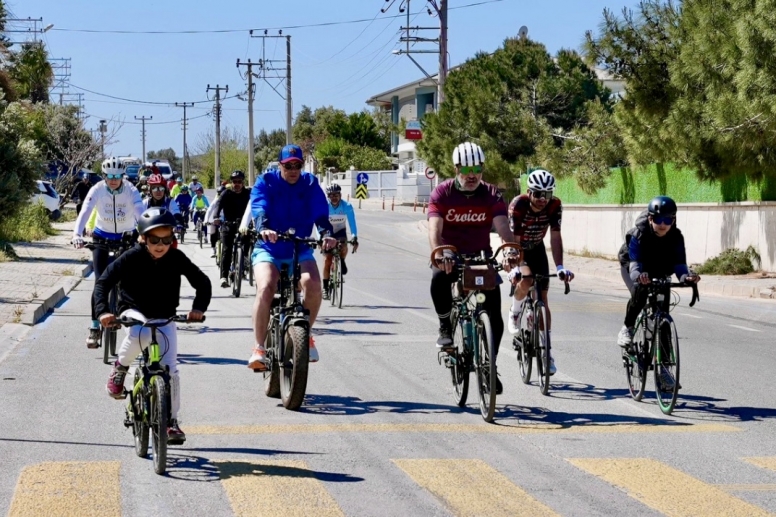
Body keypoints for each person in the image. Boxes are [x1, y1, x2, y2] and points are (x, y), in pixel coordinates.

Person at [94, 208, 211, 444]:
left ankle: (172, 422)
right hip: (133, 311)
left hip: (164, 315)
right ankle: (120, 368)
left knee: (171, 371)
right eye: (154, 239)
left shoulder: (177, 258)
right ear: (142, 238)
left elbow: (203, 283)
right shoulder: (130, 257)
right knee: (141, 333)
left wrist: (198, 308)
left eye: (166, 239)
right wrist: (103, 312)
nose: (160, 245)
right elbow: (103, 283)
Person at [428, 142, 517, 395]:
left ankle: (490, 365)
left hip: (480, 257)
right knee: (437, 276)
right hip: (450, 255)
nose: (471, 174)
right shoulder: (442, 193)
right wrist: (439, 252)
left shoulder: (491, 194)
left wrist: (510, 249)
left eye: (477, 168)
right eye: (466, 168)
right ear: (456, 168)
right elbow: (434, 229)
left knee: (495, 318)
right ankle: (445, 325)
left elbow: (502, 226)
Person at [247, 144, 335, 369]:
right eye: (288, 166)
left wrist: (326, 234)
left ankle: (306, 333)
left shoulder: (310, 183)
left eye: (297, 165)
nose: (293, 170)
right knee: (266, 286)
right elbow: (259, 206)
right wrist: (264, 227)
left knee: (313, 285)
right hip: (269, 247)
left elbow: (320, 211)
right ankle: (258, 347)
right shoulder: (266, 181)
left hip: (299, 247)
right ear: (280, 166)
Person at [617, 196, 700, 369]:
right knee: (639, 291)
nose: (663, 224)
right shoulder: (638, 234)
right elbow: (635, 267)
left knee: (663, 320)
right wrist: (639, 277)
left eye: (668, 219)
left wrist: (687, 278)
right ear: (650, 218)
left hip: (660, 268)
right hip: (635, 266)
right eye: (658, 219)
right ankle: (628, 327)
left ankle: (664, 370)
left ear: (673, 220)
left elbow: (679, 265)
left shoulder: (676, 237)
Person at [506, 168, 574, 376]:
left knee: (543, 300)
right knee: (526, 280)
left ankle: (547, 353)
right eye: (538, 194)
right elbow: (514, 239)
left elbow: (555, 236)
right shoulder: (518, 204)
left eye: (547, 194)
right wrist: (516, 266)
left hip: (537, 249)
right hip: (520, 249)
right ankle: (515, 311)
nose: (542, 199)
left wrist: (560, 267)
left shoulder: (555, 205)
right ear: (529, 192)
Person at [72, 157, 145, 348]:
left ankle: (128, 317)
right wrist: (77, 234)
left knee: (126, 281)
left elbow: (140, 211)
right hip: (101, 238)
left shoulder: (131, 189)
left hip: (125, 237)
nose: (113, 180)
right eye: (109, 176)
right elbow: (85, 211)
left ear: (122, 176)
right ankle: (94, 326)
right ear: (104, 176)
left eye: (117, 176)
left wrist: (145, 232)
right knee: (100, 282)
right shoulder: (97, 189)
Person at [208, 170, 250, 287]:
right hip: (228, 225)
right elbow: (218, 206)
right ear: (231, 182)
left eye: (239, 181)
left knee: (248, 242)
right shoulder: (226, 193)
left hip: (243, 225)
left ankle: (244, 262)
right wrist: (216, 217)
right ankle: (224, 277)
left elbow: (255, 206)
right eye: (234, 181)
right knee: (227, 250)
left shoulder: (248, 193)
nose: (237, 184)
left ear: (243, 182)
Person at [322, 183, 358, 300]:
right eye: (331, 195)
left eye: (336, 195)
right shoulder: (324, 206)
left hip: (340, 231)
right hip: (327, 232)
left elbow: (352, 223)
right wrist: (321, 238)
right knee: (327, 259)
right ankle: (325, 288)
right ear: (328, 196)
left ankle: (341, 260)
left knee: (344, 246)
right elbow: (319, 224)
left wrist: (354, 237)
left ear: (340, 195)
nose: (334, 197)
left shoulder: (347, 206)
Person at [205, 185, 226, 258]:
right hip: (216, 219)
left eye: (222, 193)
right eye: (219, 193)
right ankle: (213, 248)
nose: (220, 195)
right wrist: (206, 220)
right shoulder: (216, 200)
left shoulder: (228, 199)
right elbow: (209, 210)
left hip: (225, 220)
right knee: (213, 231)